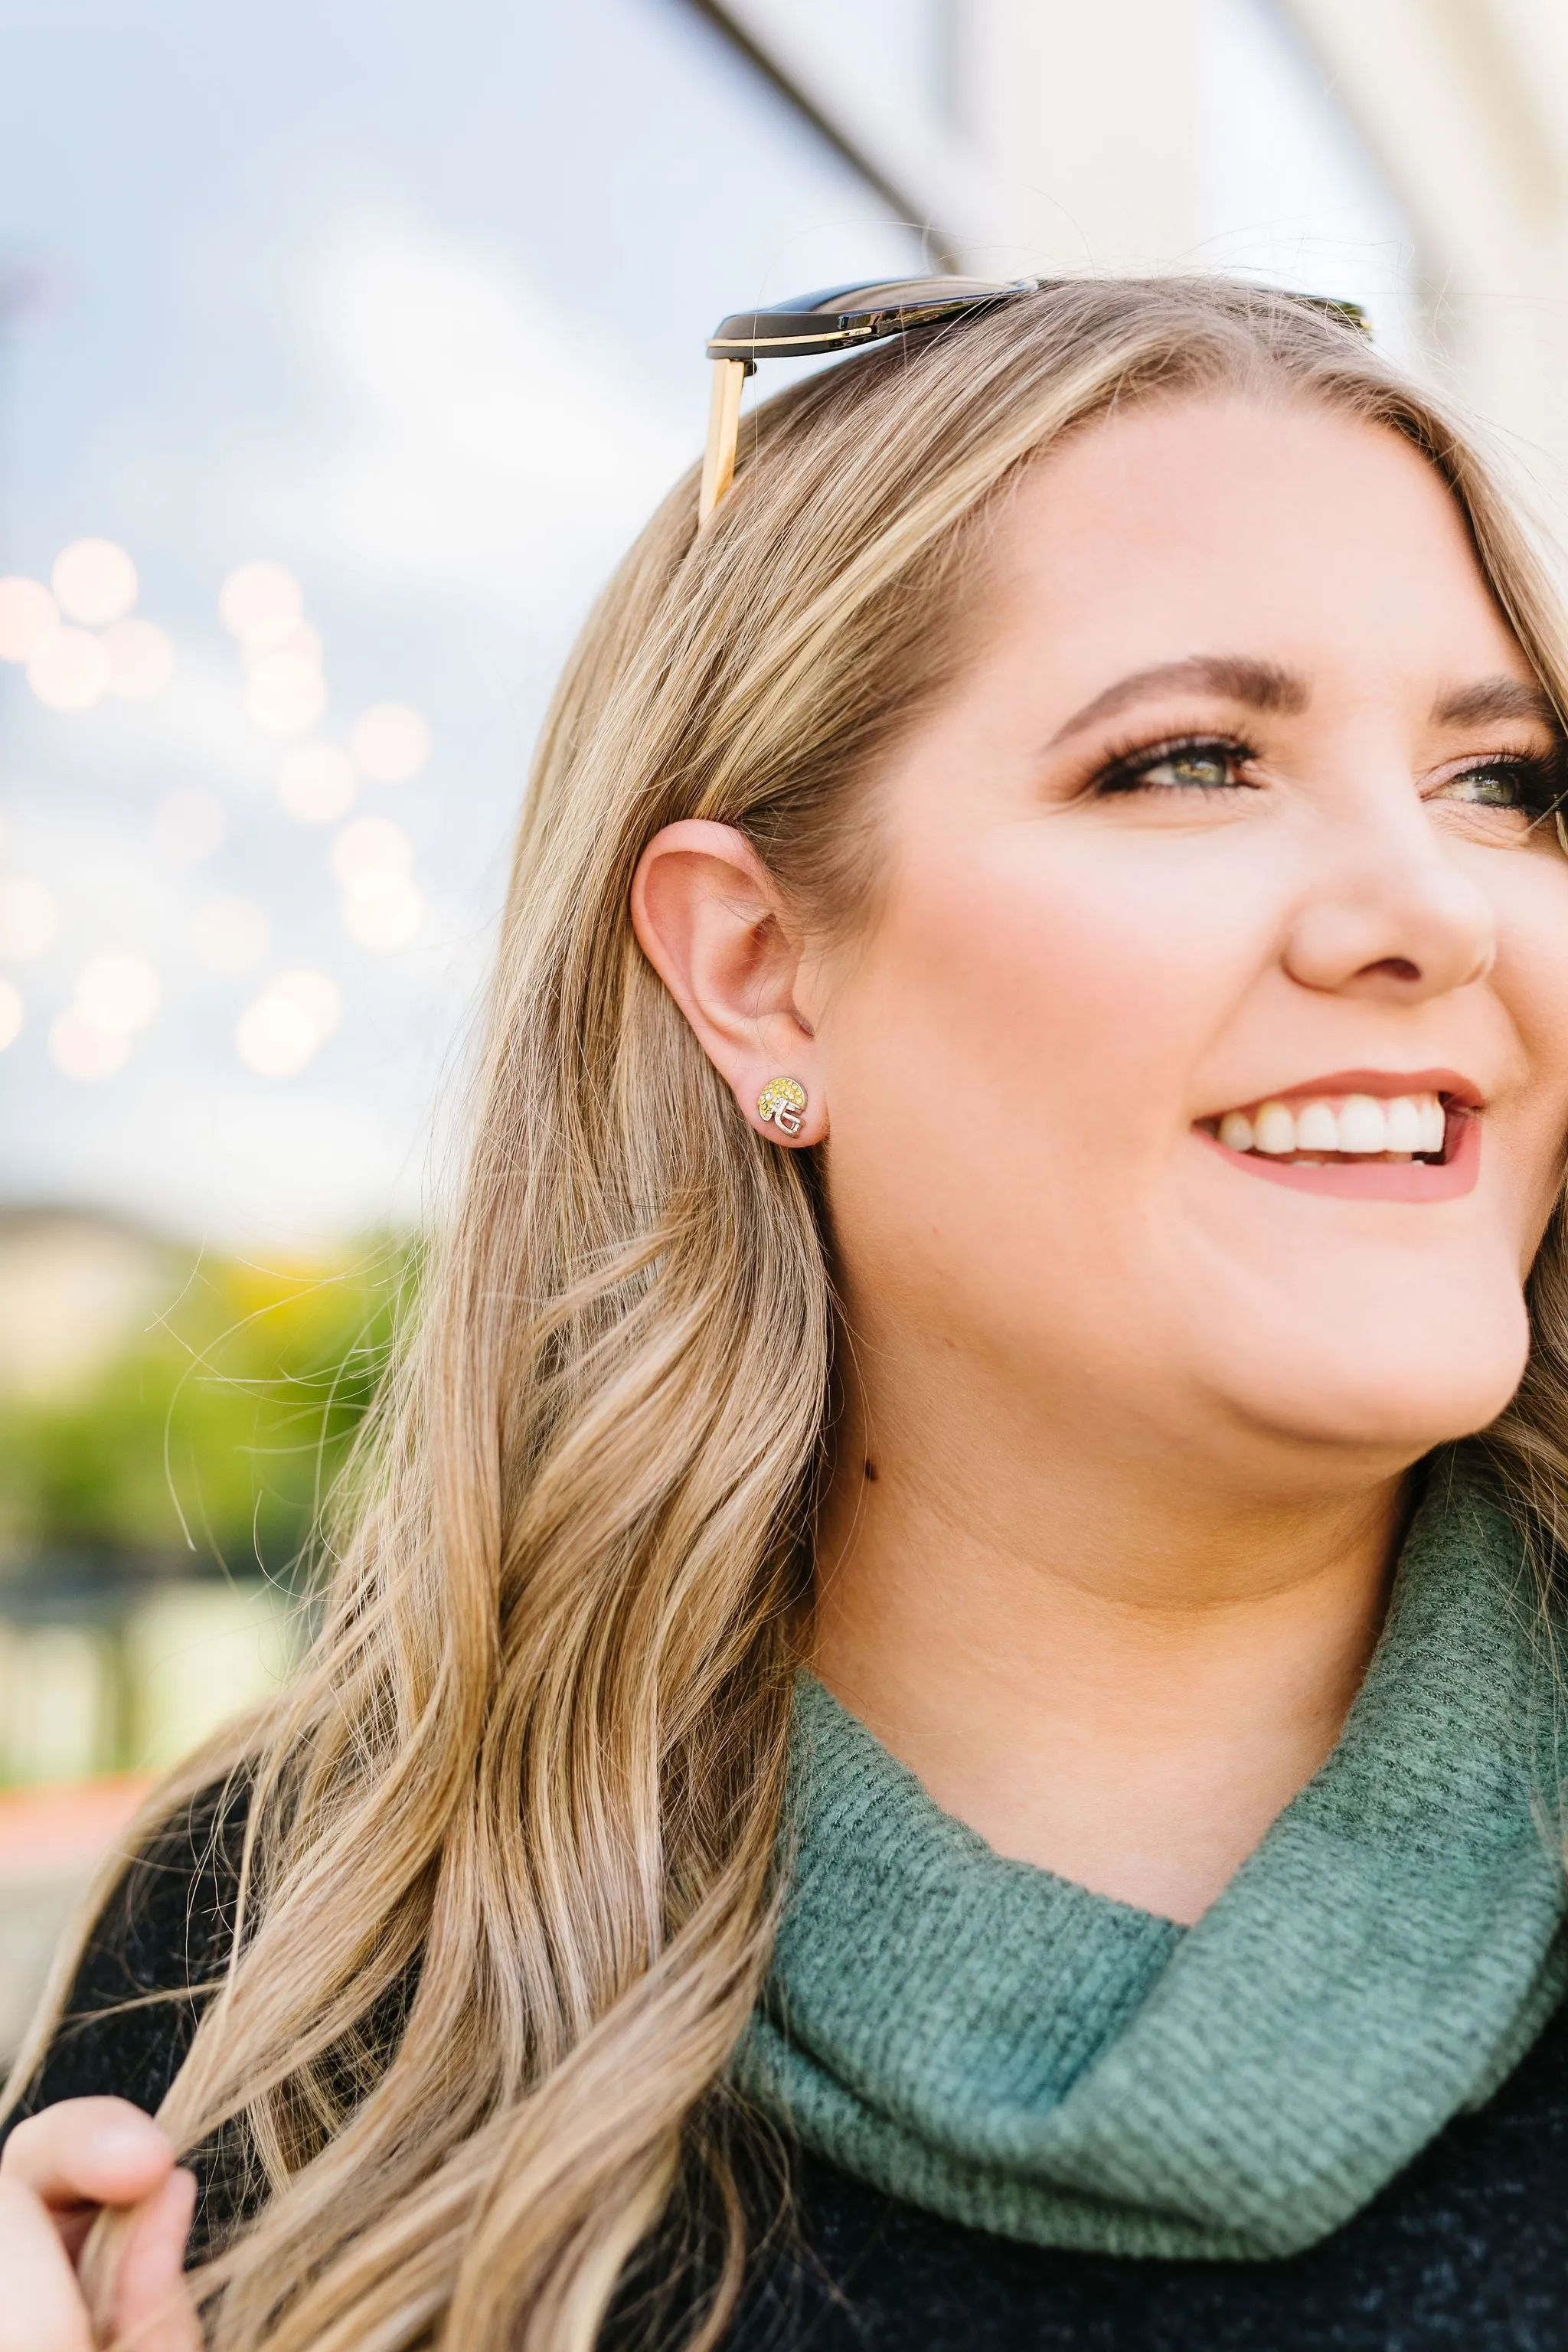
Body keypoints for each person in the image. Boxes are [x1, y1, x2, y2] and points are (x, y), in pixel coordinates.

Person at [5, 274, 1568, 2352]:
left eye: (1509, 785)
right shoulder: (282, 1956)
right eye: (1193, 761)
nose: (1437, 908)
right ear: (753, 969)